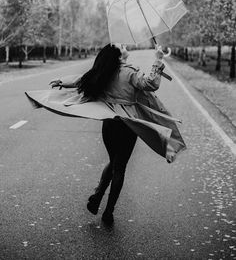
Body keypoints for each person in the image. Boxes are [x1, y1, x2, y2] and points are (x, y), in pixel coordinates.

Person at [26, 44, 185, 226]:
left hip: (109, 124)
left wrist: (62, 81)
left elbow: (81, 80)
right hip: (127, 125)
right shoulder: (129, 73)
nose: (123, 47)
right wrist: (158, 58)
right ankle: (108, 211)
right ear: (120, 56)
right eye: (121, 47)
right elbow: (150, 84)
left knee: (113, 161)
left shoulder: (103, 71)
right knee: (120, 167)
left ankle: (97, 195)